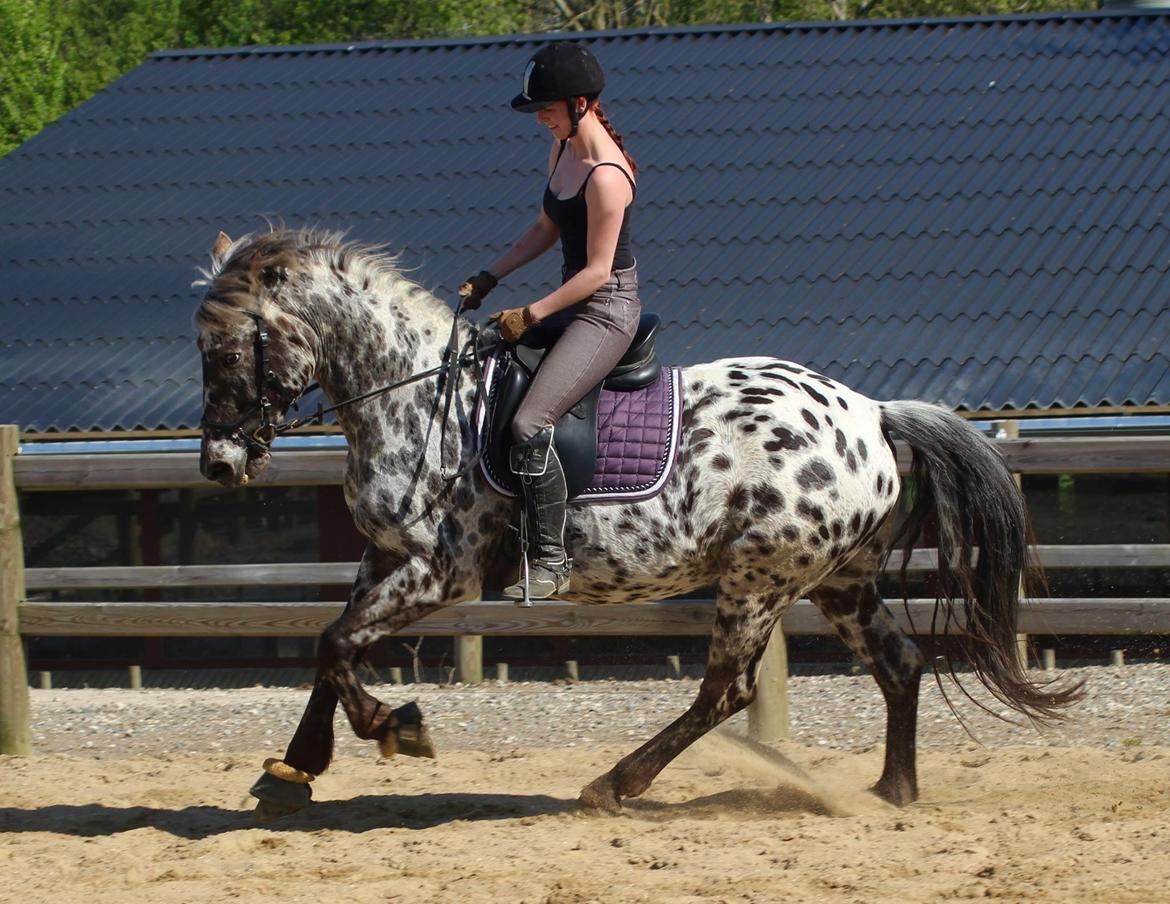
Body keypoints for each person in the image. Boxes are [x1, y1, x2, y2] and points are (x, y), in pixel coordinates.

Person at [459, 42, 641, 600]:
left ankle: (552, 560)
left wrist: (529, 313)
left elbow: (594, 273)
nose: (540, 116)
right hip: (570, 300)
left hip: (605, 309)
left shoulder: (608, 176)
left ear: (581, 103)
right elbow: (545, 228)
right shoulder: (562, 150)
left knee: (529, 423)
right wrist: (492, 274)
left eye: (547, 108)